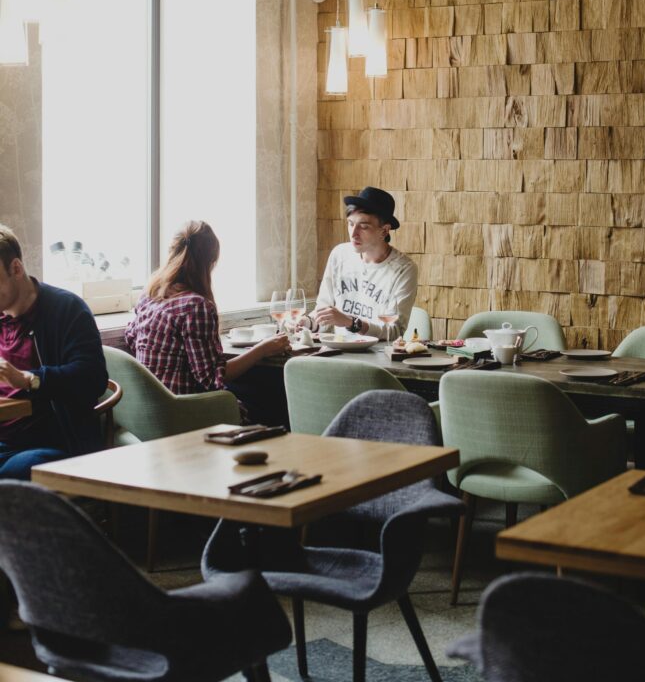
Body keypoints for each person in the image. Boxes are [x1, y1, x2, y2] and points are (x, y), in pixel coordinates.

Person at [125, 221, 289, 418]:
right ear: (209, 262)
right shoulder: (196, 306)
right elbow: (212, 378)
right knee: (275, 398)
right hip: (184, 412)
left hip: (149, 411)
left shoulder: (149, 295)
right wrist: (263, 349)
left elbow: (131, 339)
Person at [0, 225, 108, 480]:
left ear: (16, 268)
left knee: (8, 483)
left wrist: (29, 379)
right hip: (4, 442)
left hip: (53, 443)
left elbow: (91, 378)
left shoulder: (66, 310)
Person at [301, 187, 418, 341]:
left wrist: (351, 323)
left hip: (378, 357)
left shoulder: (404, 269)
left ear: (384, 230)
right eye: (350, 224)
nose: (353, 233)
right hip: (339, 353)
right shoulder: (339, 255)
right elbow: (323, 313)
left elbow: (394, 331)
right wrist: (307, 323)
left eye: (363, 226)